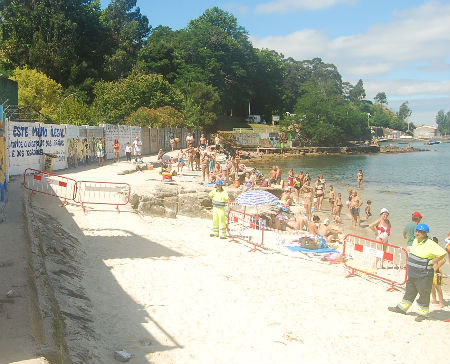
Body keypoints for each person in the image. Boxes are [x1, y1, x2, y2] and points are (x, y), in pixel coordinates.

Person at [388, 223, 447, 321]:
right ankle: (402, 308)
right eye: (417, 231)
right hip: (413, 274)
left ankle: (423, 314)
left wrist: (432, 262)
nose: (417, 233)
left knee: (424, 293)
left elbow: (443, 253)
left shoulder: (430, 243)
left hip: (424, 275)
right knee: (410, 291)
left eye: (420, 232)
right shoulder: (415, 240)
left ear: (425, 234)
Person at [430, 237, 445, 308]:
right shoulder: (431, 250)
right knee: (431, 286)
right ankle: (434, 299)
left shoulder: (437, 251)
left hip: (437, 271)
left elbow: (444, 260)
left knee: (438, 287)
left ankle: (441, 302)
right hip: (431, 270)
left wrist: (436, 267)